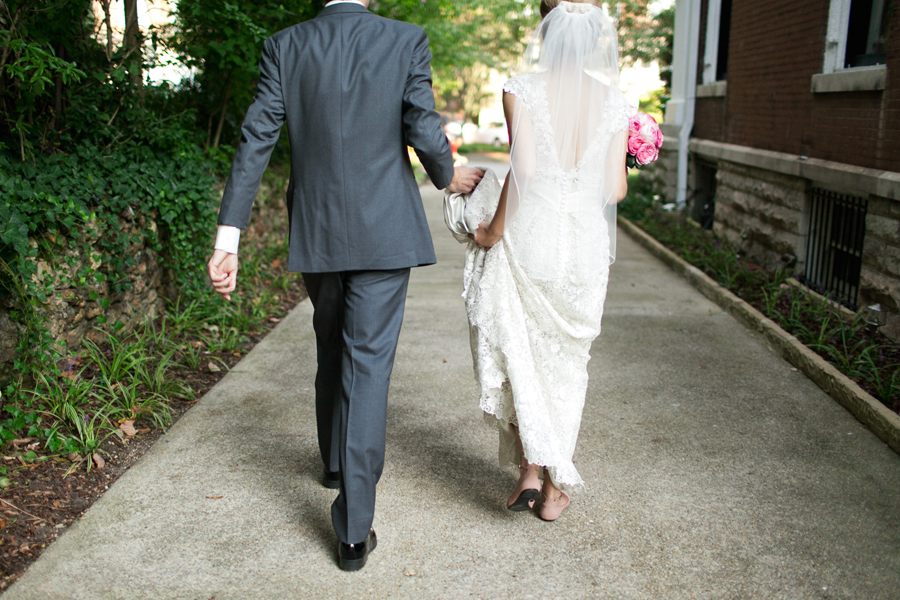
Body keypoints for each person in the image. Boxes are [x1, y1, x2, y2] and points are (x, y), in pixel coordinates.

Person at [206, 0, 484, 571]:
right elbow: (421, 123)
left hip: (318, 229)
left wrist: (227, 239)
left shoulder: (286, 45)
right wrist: (445, 173)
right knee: (368, 364)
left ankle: (333, 462)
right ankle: (354, 531)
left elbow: (255, 137)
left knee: (331, 338)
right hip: (385, 230)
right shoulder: (405, 39)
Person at [465, 0, 631, 521]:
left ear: (544, 26)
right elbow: (615, 188)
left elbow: (527, 171)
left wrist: (492, 231)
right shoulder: (616, 102)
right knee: (568, 363)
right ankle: (553, 484)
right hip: (583, 248)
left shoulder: (521, 90)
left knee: (524, 354)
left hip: (532, 238)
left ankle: (532, 472)